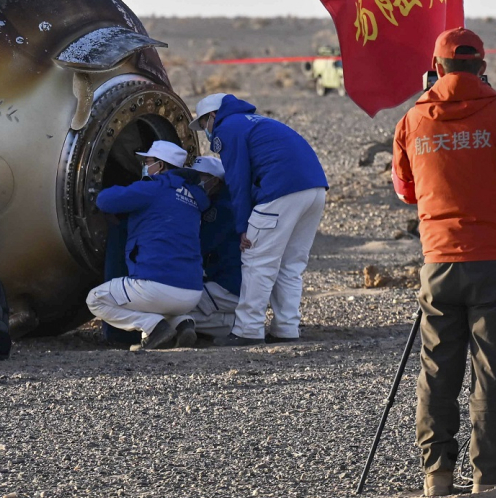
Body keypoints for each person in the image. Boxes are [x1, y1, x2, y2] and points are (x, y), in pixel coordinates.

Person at [393, 27, 496, 496]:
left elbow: (405, 190)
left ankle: (437, 476)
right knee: (494, 372)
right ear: (482, 67)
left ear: (436, 68)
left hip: (438, 263)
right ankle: (491, 477)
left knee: (437, 371)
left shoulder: (413, 118)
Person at [193, 93, 327, 346]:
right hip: (315, 189)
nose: (205, 131)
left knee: (257, 261)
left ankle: (248, 330)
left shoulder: (227, 128)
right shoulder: (257, 121)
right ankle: (286, 329)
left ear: (212, 116)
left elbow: (237, 180)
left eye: (203, 123)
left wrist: (242, 226)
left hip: (280, 191)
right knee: (290, 265)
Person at [86, 140, 210, 350]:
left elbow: (105, 200)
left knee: (95, 299)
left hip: (157, 287)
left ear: (160, 165)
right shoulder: (194, 198)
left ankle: (153, 327)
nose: (145, 166)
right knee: (159, 301)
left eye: (148, 161)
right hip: (192, 293)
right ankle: (182, 323)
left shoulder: (153, 188)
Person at [186, 155, 242, 340]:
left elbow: (202, 245)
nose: (195, 182)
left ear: (215, 181)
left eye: (200, 177)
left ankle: (232, 324)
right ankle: (230, 323)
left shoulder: (222, 209)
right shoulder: (223, 201)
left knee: (174, 306)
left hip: (228, 286)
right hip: (230, 284)